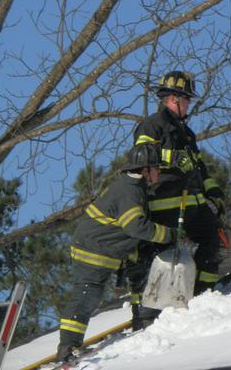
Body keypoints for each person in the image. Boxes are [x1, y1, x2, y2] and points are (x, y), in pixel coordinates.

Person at [57, 144, 175, 363]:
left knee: (121, 281)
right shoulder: (129, 191)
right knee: (87, 294)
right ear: (145, 170)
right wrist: (168, 234)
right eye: (156, 168)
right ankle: (67, 348)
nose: (159, 172)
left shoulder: (133, 187)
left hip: (103, 249)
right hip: (91, 250)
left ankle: (142, 319)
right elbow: (136, 227)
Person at [129, 70, 227, 329]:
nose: (189, 105)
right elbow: (141, 155)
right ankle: (145, 315)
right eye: (187, 100)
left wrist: (213, 191)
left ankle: (203, 294)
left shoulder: (187, 133)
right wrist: (172, 159)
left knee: (213, 241)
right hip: (164, 204)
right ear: (174, 98)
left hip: (191, 203)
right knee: (154, 256)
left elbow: (198, 168)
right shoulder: (152, 125)